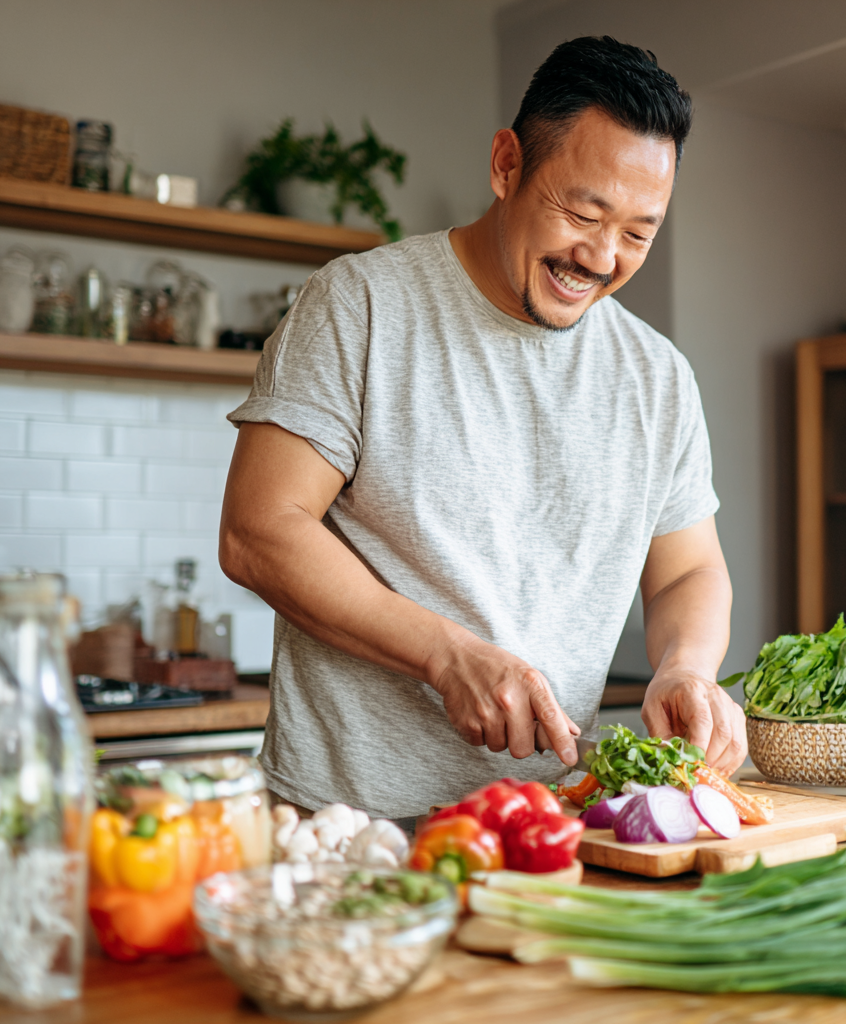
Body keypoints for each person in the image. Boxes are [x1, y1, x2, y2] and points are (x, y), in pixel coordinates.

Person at [220, 35, 746, 820]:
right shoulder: (361, 306)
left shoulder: (658, 377)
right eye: (582, 211)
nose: (601, 256)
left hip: (556, 823)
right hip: (351, 822)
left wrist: (686, 669)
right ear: (506, 166)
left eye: (639, 232)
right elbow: (259, 531)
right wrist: (443, 655)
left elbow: (687, 573)